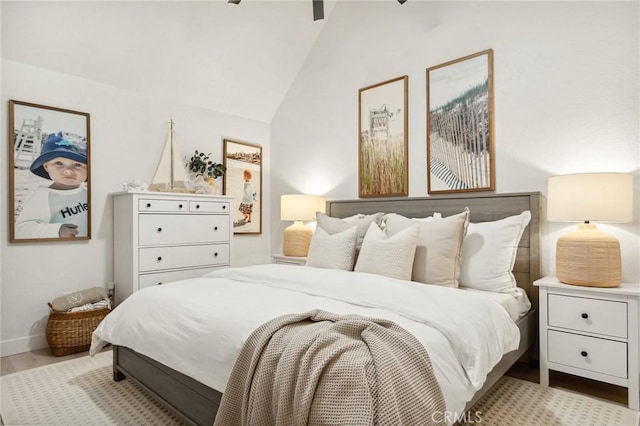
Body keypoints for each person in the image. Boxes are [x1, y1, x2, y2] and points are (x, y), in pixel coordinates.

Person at [15, 132, 88, 239]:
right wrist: (57, 230)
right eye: (59, 163)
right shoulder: (42, 197)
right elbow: (21, 230)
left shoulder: (87, 192)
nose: (68, 171)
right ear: (46, 167)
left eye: (77, 165)